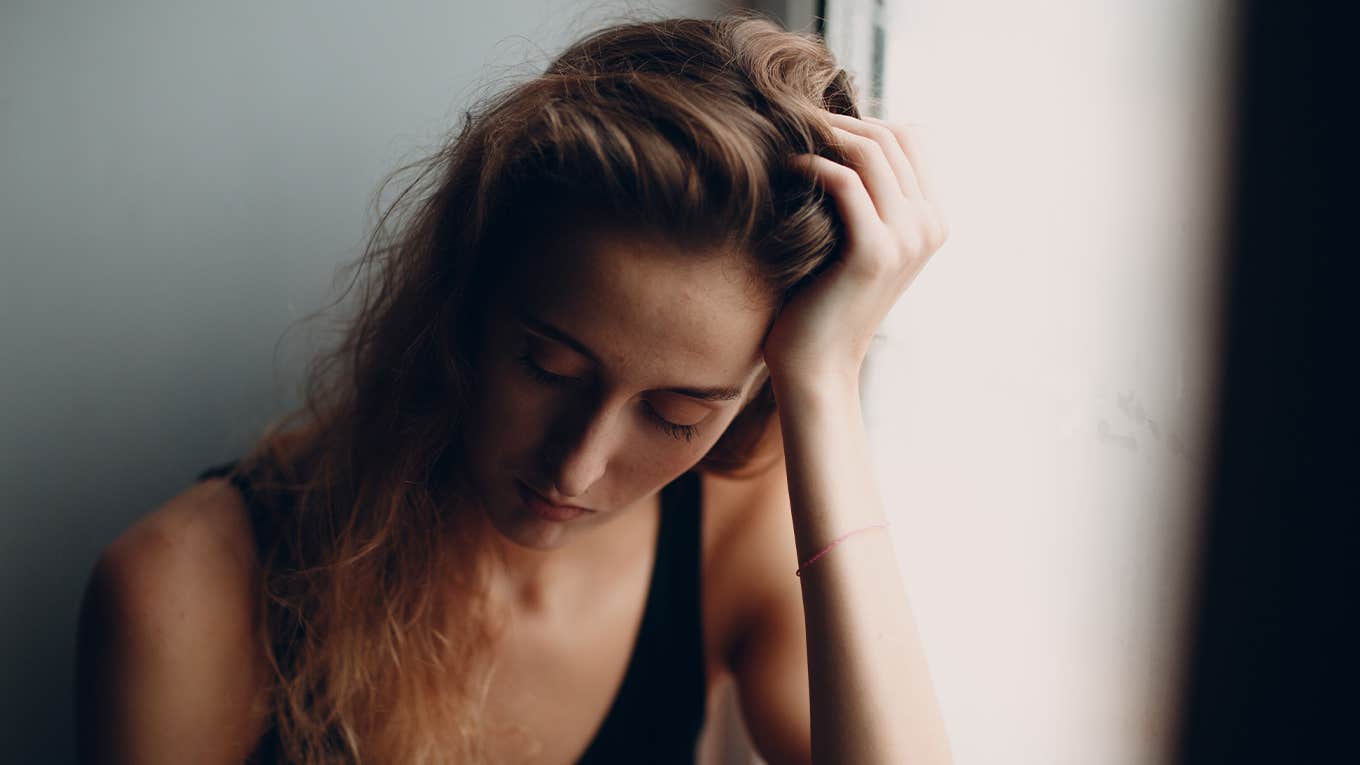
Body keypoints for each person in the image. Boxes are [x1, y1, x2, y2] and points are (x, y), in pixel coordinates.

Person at [74, 12, 952, 765]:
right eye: (549, 367)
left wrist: (828, 381)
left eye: (679, 413)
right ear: (464, 298)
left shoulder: (728, 532)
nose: (577, 465)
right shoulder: (187, 592)